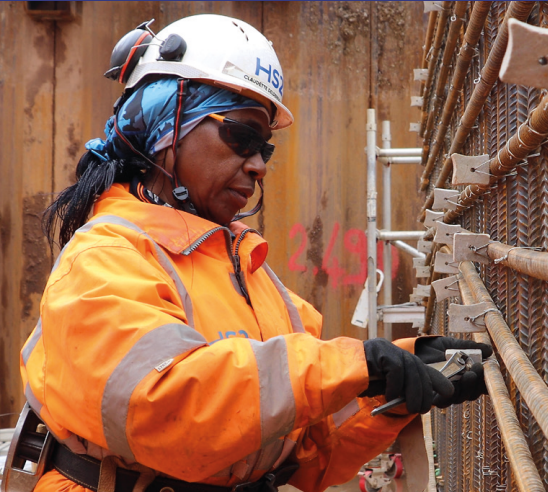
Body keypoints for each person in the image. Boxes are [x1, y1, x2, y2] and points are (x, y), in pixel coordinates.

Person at [18, 14, 492, 492]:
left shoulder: (248, 271)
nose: (259, 164)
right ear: (168, 121)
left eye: (264, 146)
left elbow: (304, 451)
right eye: (241, 136)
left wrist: (392, 387)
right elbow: (167, 410)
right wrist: (355, 366)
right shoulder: (104, 257)